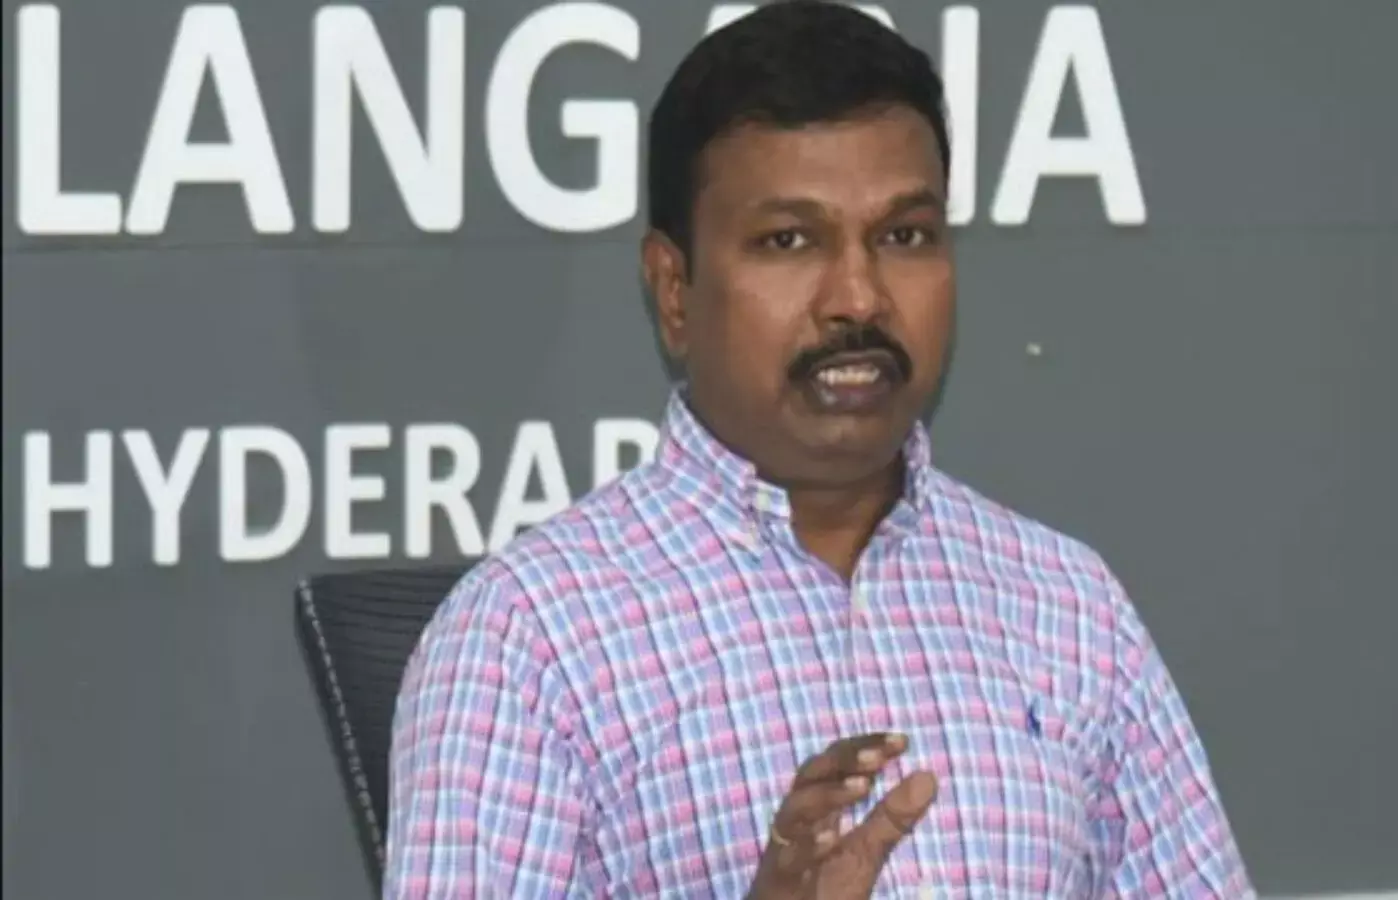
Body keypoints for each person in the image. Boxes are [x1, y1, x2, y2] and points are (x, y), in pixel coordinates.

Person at [384, 1, 1254, 896]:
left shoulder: (1066, 607)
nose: (859, 299)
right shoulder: (531, 640)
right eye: (789, 241)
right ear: (674, 291)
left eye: (904, 236)